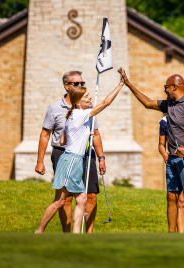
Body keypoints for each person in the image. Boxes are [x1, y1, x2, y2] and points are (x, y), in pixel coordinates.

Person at [119, 67, 184, 233]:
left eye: (166, 87)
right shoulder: (169, 105)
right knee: (171, 196)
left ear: (174, 86)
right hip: (173, 158)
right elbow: (148, 103)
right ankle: (171, 235)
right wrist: (128, 84)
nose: (165, 90)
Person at [35, 75, 124, 234]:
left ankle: (76, 235)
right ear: (78, 102)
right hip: (70, 161)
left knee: (82, 199)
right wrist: (120, 84)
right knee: (60, 201)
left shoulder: (73, 115)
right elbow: (106, 103)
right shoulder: (80, 114)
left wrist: (82, 134)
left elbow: (62, 141)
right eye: (86, 96)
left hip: (73, 160)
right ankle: (39, 231)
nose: (90, 97)